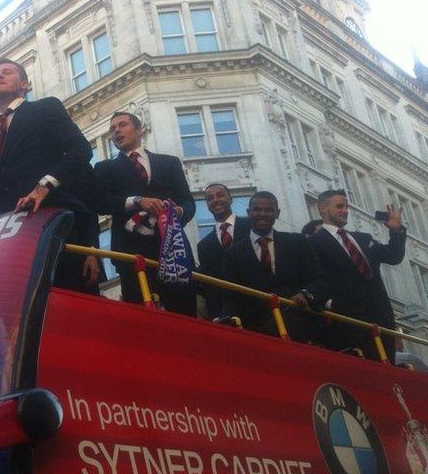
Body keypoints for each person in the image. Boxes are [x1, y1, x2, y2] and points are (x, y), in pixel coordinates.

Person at [0, 58, 100, 293]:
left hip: (58, 228)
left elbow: (80, 150)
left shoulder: (45, 108)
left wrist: (43, 187)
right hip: (16, 241)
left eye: (6, 72)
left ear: (24, 84)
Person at [95, 111, 197, 315]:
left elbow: (188, 202)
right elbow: (100, 203)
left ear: (139, 129)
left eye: (122, 125)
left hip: (174, 254)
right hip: (132, 258)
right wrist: (137, 201)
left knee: (184, 318)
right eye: (112, 129)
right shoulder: (105, 168)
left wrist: (175, 212)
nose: (116, 131)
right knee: (142, 319)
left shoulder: (169, 163)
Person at [309, 189, 406, 362]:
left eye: (346, 206)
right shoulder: (313, 243)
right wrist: (332, 304)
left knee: (387, 372)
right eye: (339, 206)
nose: (345, 210)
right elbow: (315, 278)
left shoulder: (363, 238)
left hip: (382, 318)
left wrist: (396, 230)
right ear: (323, 209)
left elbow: (393, 256)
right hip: (349, 322)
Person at [220, 191, 328, 343]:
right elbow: (233, 297)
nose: (262, 214)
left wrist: (305, 295)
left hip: (299, 328)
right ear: (248, 212)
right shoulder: (233, 253)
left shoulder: (297, 242)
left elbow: (319, 279)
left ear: (277, 213)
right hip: (257, 333)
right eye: (257, 209)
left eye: (268, 210)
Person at [195, 183, 250, 319]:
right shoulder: (204, 245)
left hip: (259, 306)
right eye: (210, 198)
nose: (216, 200)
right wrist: (215, 315)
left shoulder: (252, 226)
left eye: (220, 195)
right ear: (207, 205)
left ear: (231, 199)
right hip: (226, 314)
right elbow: (211, 286)